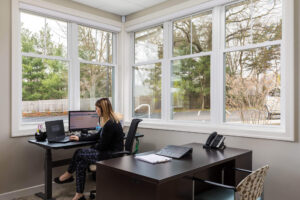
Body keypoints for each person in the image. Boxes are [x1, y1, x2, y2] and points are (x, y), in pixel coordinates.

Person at [54, 98, 124, 200]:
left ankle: (67, 175)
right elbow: (96, 136)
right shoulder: (110, 121)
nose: (96, 111)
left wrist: (92, 147)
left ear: (102, 109)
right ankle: (79, 195)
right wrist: (79, 138)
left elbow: (102, 146)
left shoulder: (110, 124)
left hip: (111, 155)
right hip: (108, 152)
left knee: (79, 152)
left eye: (96, 109)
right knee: (81, 163)